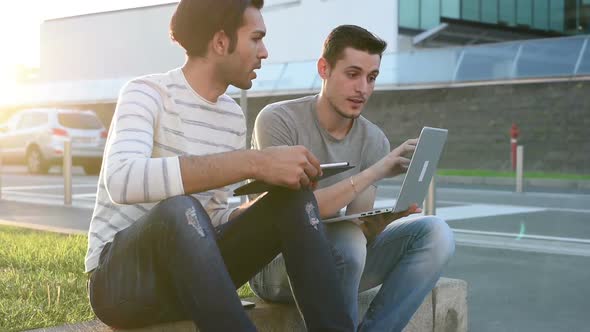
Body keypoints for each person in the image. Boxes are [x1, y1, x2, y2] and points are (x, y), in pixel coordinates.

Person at [85, 1, 355, 331]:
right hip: (124, 287)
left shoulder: (230, 116)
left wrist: (264, 204)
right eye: (256, 38)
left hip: (191, 277)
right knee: (179, 208)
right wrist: (253, 162)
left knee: (292, 200)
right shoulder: (146, 92)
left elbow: (208, 222)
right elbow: (121, 180)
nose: (265, 52)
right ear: (221, 42)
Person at [249, 25, 455, 332]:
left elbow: (358, 227)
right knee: (346, 239)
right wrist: (376, 170)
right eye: (353, 74)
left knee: (436, 233)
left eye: (371, 77)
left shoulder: (374, 140)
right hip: (275, 265)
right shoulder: (278, 120)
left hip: (339, 263)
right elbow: (293, 215)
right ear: (324, 69)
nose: (363, 88)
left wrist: (377, 224)